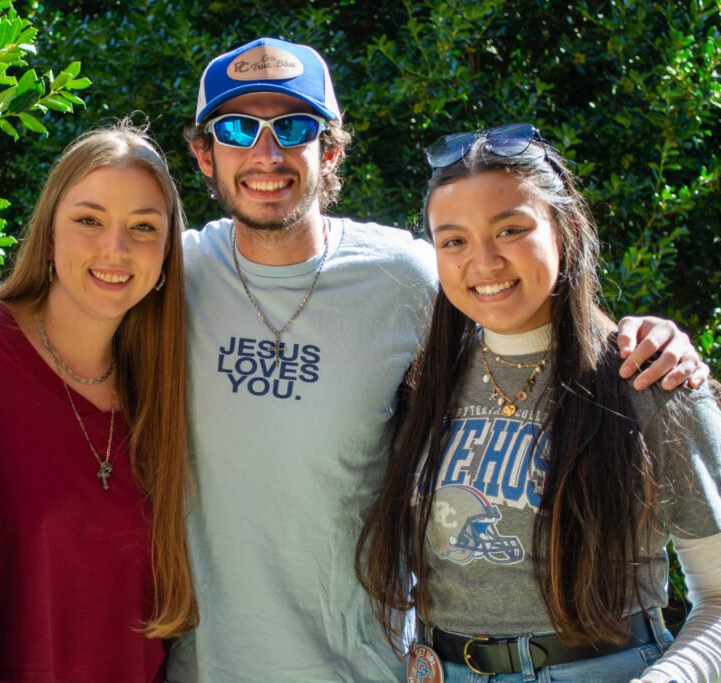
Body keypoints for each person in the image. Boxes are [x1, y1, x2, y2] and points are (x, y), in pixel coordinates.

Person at [166, 38, 710, 681]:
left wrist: (653, 343)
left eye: (294, 127)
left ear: (330, 150)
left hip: (372, 666)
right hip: (219, 664)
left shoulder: (406, 274)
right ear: (203, 154)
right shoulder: (169, 278)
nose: (267, 153)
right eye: (236, 128)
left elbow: (533, 313)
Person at [355, 123, 721, 682]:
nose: (484, 262)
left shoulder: (648, 375)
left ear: (565, 230)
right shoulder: (421, 384)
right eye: (453, 241)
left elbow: (718, 597)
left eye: (510, 230)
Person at [0, 121, 197, 682]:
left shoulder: (167, 385)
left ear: (166, 256)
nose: (115, 249)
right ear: (49, 235)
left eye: (143, 227)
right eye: (89, 220)